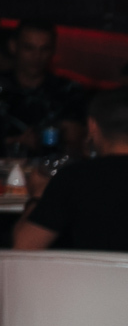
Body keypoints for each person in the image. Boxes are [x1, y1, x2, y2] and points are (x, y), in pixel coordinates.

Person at [13, 88, 128, 252]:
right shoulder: (73, 178)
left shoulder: (74, 178)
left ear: (92, 126)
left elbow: (23, 247)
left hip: (87, 270)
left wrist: (38, 195)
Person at [0, 20, 89, 156]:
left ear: (53, 50)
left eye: (44, 49)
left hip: (49, 167)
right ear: (13, 46)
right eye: (29, 48)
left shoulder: (68, 90)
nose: (37, 56)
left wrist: (42, 143)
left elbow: (74, 147)